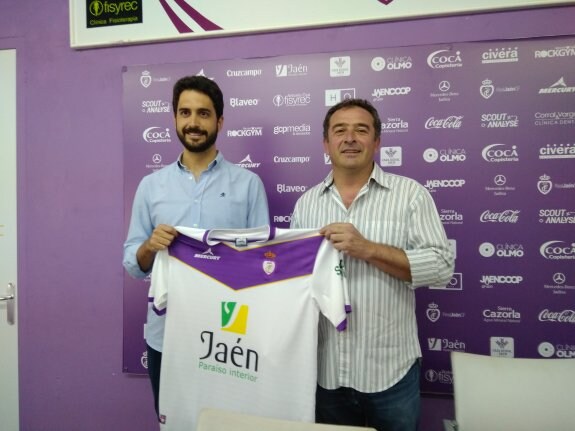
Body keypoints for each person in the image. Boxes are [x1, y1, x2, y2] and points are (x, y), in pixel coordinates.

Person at [290, 99, 454, 431]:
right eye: (340, 130)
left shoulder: (411, 196)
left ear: (376, 141)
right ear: (326, 143)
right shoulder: (306, 204)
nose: (350, 138)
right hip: (327, 371)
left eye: (361, 130)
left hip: (390, 372)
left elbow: (441, 266)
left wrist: (368, 249)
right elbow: (296, 279)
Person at [123, 75, 270, 419]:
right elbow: (133, 262)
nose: (193, 123)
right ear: (174, 119)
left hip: (230, 337)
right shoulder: (151, 186)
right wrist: (150, 246)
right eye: (185, 112)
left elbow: (265, 261)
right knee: (173, 422)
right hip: (167, 335)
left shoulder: (248, 185)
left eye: (203, 114)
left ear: (219, 121)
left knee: (230, 423)